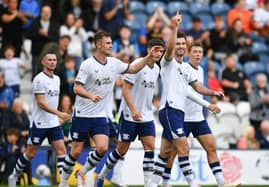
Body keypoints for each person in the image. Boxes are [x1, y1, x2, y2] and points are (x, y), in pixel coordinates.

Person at [58, 31, 159, 187]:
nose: (111, 45)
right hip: (83, 114)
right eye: (107, 43)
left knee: (103, 148)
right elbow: (77, 88)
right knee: (76, 151)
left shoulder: (114, 63)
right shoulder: (87, 64)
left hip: (100, 114)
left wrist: (148, 57)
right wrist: (90, 95)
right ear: (98, 45)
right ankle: (63, 182)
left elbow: (132, 69)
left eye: (111, 43)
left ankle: (83, 172)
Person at [150, 13, 223, 187]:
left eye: (183, 44)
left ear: (186, 46)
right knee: (184, 147)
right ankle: (192, 183)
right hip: (169, 109)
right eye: (178, 43)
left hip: (178, 113)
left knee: (165, 152)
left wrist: (213, 92)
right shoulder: (168, 62)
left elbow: (197, 88)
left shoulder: (187, 69)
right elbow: (169, 48)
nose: (180, 46)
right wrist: (175, 27)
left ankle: (152, 184)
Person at [157, 43, 240, 187]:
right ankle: (165, 182)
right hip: (182, 117)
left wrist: (211, 94)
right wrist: (208, 104)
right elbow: (187, 92)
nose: (198, 54)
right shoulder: (183, 68)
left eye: (200, 52)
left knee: (211, 147)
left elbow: (199, 89)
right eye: (195, 51)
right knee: (171, 152)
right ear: (189, 53)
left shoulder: (201, 70)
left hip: (198, 117)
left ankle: (221, 182)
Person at [94, 38, 166, 187]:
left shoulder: (157, 69)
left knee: (150, 146)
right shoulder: (136, 65)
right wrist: (133, 110)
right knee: (121, 150)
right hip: (129, 114)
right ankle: (101, 176)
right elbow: (125, 89)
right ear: (149, 50)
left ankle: (148, 184)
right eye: (156, 49)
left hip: (146, 115)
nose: (159, 53)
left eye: (161, 50)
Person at [8, 53, 71, 187]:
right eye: (49, 60)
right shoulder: (39, 79)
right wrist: (60, 113)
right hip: (39, 123)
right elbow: (41, 103)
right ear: (43, 62)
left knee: (62, 150)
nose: (52, 62)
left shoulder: (57, 79)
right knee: (30, 154)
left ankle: (63, 183)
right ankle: (14, 175)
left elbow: (53, 101)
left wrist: (57, 116)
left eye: (54, 60)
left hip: (53, 122)